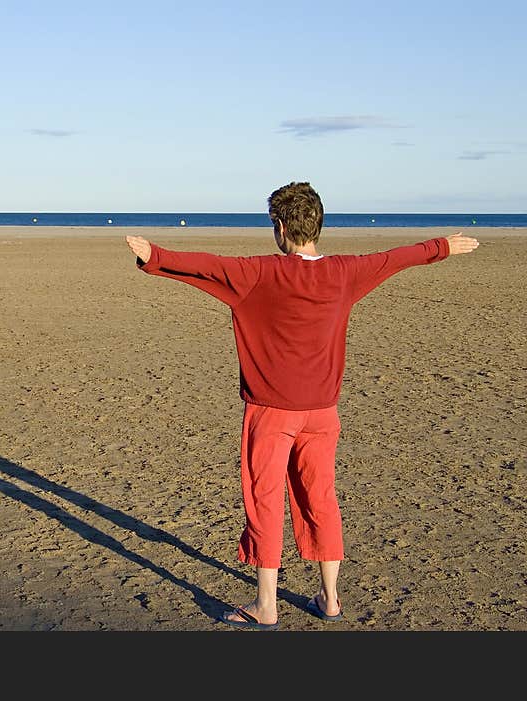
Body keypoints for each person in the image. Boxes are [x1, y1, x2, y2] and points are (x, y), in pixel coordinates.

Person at [125, 182, 479, 630]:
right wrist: (441, 246)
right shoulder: (344, 272)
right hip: (322, 412)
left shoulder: (260, 273)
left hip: (271, 412)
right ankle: (330, 598)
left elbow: (207, 267)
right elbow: (394, 258)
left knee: (265, 501)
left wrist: (154, 255)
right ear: (318, 224)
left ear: (279, 226)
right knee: (321, 499)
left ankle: (266, 606)